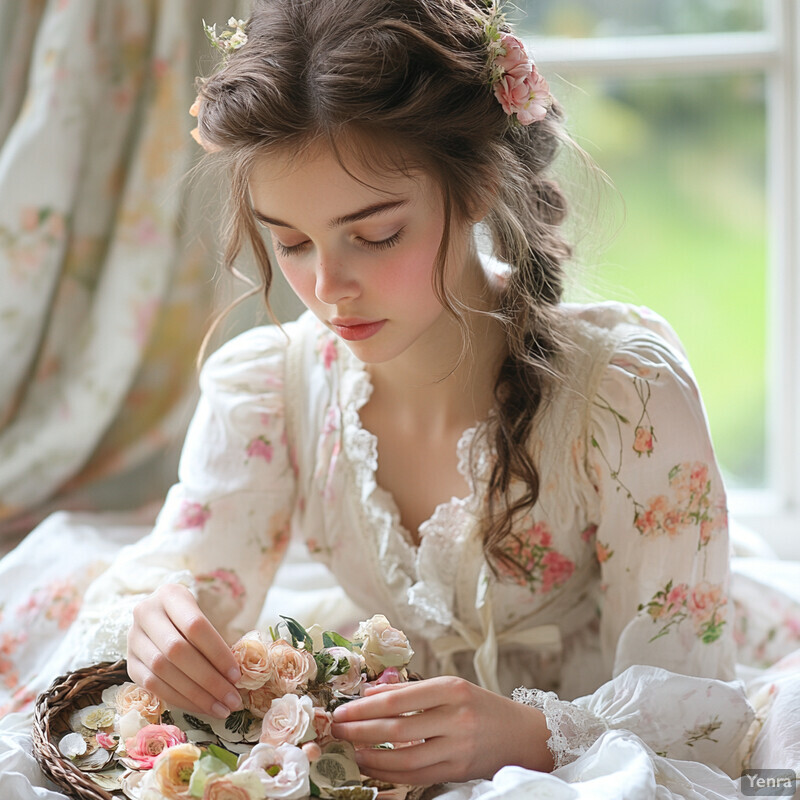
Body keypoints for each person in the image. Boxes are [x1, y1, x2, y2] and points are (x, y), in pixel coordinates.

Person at [2, 1, 800, 797]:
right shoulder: (268, 391)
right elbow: (187, 577)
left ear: (482, 183)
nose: (327, 288)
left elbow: (701, 712)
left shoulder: (627, 396)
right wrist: (160, 628)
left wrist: (526, 734)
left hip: (589, 747)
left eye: (376, 234)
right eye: (290, 242)